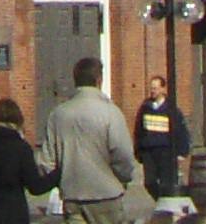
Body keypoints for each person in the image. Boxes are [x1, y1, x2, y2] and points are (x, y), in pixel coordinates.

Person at [43, 54, 141, 224]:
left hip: (73, 195)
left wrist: (62, 181)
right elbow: (123, 154)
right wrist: (123, 177)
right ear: (99, 80)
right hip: (106, 194)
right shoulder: (111, 112)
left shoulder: (58, 114)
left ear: (75, 80)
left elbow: (47, 163)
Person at [0, 97, 62, 224]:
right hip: (14, 215)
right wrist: (58, 174)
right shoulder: (21, 149)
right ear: (17, 123)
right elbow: (35, 187)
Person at [132, 74, 192, 200]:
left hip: (166, 151)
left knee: (166, 182)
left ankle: (164, 204)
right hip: (149, 151)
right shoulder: (145, 108)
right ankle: (159, 200)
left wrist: (182, 151)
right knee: (149, 182)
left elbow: (181, 130)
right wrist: (138, 151)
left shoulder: (171, 109)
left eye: (156, 88)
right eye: (151, 88)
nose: (153, 91)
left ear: (163, 89)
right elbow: (138, 131)